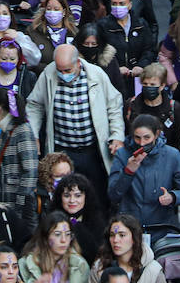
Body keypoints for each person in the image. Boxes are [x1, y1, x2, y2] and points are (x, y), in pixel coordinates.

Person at [26, 44, 126, 195]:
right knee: (63, 194)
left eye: (68, 70)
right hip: (62, 151)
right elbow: (34, 105)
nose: (63, 74)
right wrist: (33, 134)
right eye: (59, 71)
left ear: (78, 63)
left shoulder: (96, 74)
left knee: (95, 195)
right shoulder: (48, 74)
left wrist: (117, 135)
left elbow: (114, 105)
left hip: (92, 151)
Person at [107, 115, 180, 237]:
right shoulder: (123, 154)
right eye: (137, 138)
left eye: (146, 137)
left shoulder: (172, 155)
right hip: (130, 227)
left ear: (157, 134)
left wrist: (173, 197)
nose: (142, 143)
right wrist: (128, 172)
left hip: (162, 226)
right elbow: (113, 194)